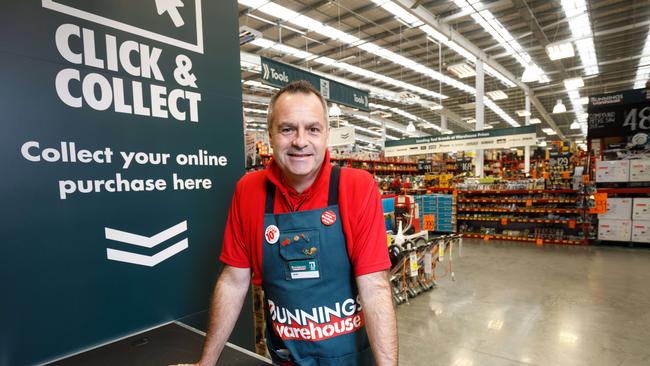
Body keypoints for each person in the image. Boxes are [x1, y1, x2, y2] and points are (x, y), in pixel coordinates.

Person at [175, 80, 397, 366]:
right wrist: (205, 364)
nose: (300, 141)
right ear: (270, 134)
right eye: (287, 129)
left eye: (313, 129)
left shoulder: (357, 187)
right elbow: (233, 281)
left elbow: (375, 286)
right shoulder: (248, 191)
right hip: (285, 358)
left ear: (326, 134)